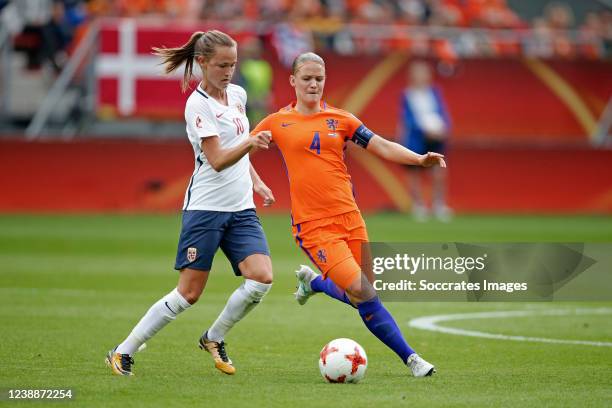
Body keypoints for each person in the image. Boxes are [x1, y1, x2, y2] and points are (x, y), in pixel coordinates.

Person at [251, 52, 444, 377]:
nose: (314, 84)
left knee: (363, 294)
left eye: (319, 78)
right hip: (314, 226)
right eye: (307, 78)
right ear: (293, 81)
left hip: (350, 218)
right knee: (364, 293)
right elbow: (242, 151)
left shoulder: (342, 120)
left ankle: (314, 284)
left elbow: (381, 145)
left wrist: (419, 159)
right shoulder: (276, 123)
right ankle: (412, 359)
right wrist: (258, 185)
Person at [106, 30, 275, 376]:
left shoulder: (238, 95)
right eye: (221, 65)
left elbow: (240, 147)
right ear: (202, 63)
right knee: (189, 294)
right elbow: (216, 159)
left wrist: (257, 182)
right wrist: (252, 143)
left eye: (233, 64)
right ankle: (123, 350)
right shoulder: (197, 105)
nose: (229, 72)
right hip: (206, 209)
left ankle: (214, 337)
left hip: (241, 207)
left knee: (261, 278)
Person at [400, 61, 452, 221]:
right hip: (416, 139)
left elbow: (443, 112)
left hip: (435, 137)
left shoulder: (434, 92)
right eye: (418, 74)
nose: (421, 77)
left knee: (438, 171)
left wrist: (444, 128)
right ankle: (418, 205)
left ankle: (439, 204)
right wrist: (424, 131)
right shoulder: (407, 95)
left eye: (424, 73)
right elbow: (408, 119)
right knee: (414, 173)